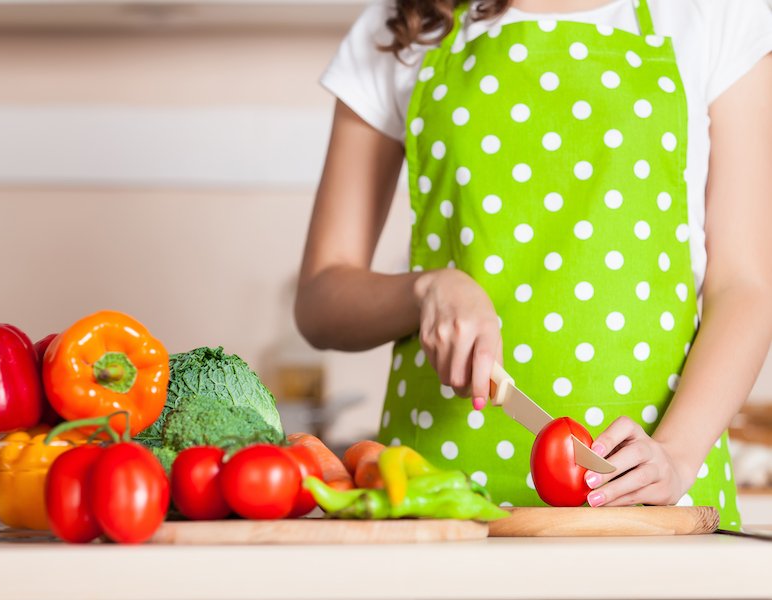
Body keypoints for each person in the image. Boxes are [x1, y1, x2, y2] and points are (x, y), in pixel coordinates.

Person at [294, 0, 772, 528]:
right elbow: (320, 299)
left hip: (654, 500)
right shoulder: (407, 21)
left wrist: (677, 454)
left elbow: (746, 286)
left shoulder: (718, 11)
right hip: (439, 497)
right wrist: (428, 288)